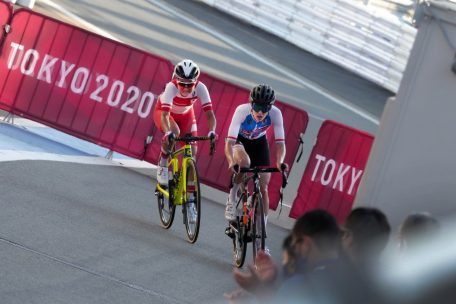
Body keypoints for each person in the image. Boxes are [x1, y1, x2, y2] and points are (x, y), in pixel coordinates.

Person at [153, 59, 217, 223]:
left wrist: (212, 131)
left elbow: (210, 114)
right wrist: (167, 132)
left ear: (196, 82)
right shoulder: (171, 87)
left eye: (190, 84)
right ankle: (163, 160)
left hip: (187, 116)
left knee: (192, 154)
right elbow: (165, 116)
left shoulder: (201, 88)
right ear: (176, 79)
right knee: (174, 132)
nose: (186, 88)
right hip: (165, 113)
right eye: (183, 84)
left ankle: (189, 200)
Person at [224, 84, 286, 233]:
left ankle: (262, 234)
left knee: (264, 187)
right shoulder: (241, 111)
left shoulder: (276, 114)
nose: (260, 112)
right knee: (244, 162)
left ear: (270, 108)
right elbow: (229, 142)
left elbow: (281, 144)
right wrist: (232, 161)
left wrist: (280, 162)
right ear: (251, 103)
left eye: (265, 108)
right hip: (239, 141)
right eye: (257, 106)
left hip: (259, 143)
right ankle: (232, 199)